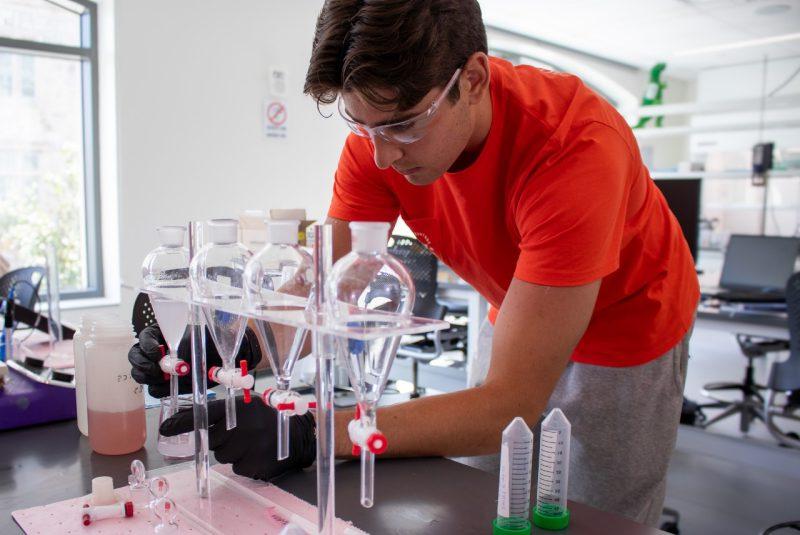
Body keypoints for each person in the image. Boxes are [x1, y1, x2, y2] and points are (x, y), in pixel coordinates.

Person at [132, 0, 699, 526]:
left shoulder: (575, 148)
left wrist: (312, 432)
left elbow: (510, 403)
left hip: (627, 330)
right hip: (521, 305)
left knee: (587, 517)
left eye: (403, 125)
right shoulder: (380, 130)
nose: (381, 155)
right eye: (361, 126)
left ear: (472, 80)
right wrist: (229, 343)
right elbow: (324, 284)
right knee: (485, 501)